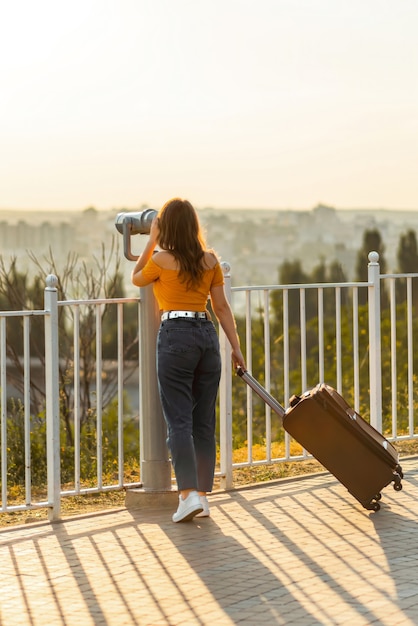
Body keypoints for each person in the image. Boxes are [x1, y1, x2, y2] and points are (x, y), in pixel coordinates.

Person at [131, 198, 246, 522]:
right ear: (194, 226)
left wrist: (152, 238)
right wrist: (236, 348)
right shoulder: (209, 261)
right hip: (206, 336)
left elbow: (137, 277)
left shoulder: (161, 260)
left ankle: (187, 495)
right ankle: (203, 497)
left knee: (179, 421)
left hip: (175, 337)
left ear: (165, 227)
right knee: (203, 422)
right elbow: (221, 309)